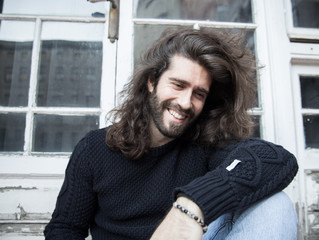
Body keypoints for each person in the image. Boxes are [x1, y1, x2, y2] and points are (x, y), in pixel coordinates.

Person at [44, 27, 299, 240]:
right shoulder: (94, 149)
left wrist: (191, 205)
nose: (186, 103)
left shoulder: (205, 145)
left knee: (275, 205)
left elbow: (276, 159)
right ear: (152, 81)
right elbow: (64, 228)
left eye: (199, 93)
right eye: (178, 85)